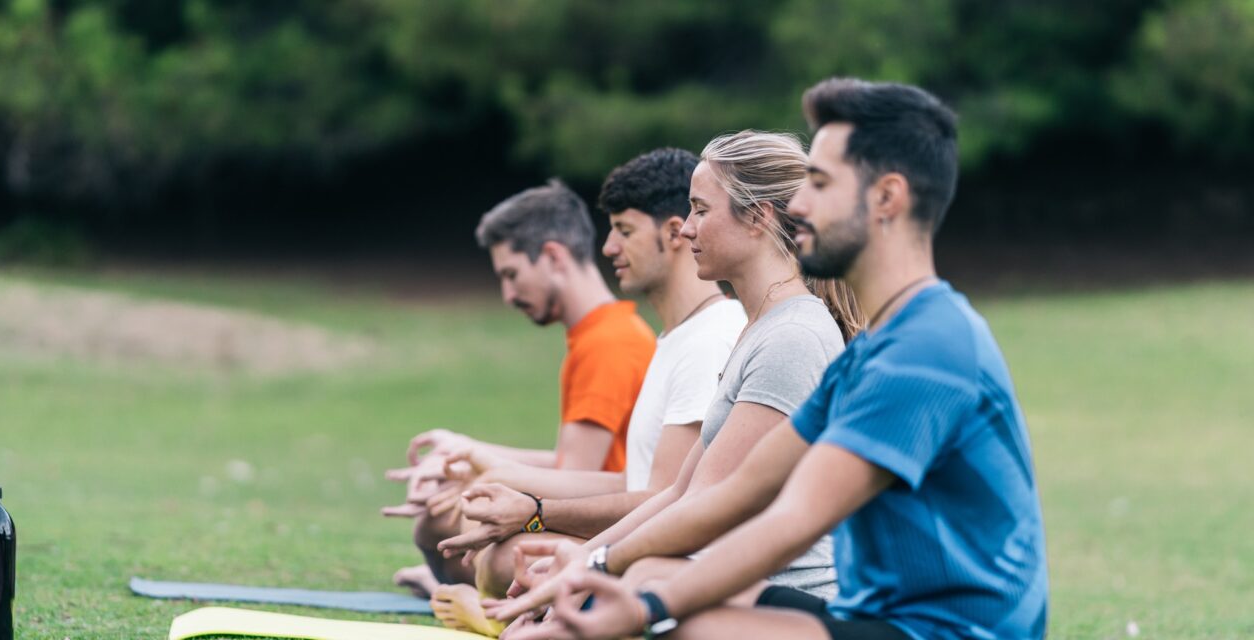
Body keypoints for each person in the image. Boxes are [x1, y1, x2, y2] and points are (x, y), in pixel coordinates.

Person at [501, 78, 1049, 640]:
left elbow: (794, 521)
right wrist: (592, 567)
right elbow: (735, 494)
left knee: (693, 626)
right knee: (660, 585)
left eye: (820, 182)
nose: (800, 204)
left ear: (887, 198)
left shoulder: (927, 349)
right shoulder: (870, 351)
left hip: (943, 633)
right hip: (873, 618)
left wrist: (641, 606)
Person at [480, 130, 865, 635]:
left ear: (758, 217)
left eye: (702, 210)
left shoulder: (792, 335)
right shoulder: (761, 326)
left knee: (634, 577)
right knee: (597, 574)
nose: (686, 230)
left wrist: (590, 566)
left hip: (789, 597)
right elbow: (680, 491)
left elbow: (703, 507)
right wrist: (583, 560)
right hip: (725, 577)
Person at [428, 147, 749, 636]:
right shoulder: (675, 337)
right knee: (497, 556)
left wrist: (535, 514)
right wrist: (501, 476)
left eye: (624, 231)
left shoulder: (710, 338)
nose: (607, 249)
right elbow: (632, 479)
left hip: (675, 563)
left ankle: (522, 619)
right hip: (644, 546)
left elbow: (664, 497)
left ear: (672, 232)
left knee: (504, 561)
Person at [384, 179, 657, 595]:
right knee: (446, 512)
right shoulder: (598, 334)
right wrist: (466, 454)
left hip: (607, 527)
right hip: (593, 506)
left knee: (461, 524)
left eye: (512, 275)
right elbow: (576, 463)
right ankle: (459, 579)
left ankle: (467, 584)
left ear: (552, 256)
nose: (508, 295)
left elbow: (575, 479)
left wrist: (481, 473)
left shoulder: (610, 342)